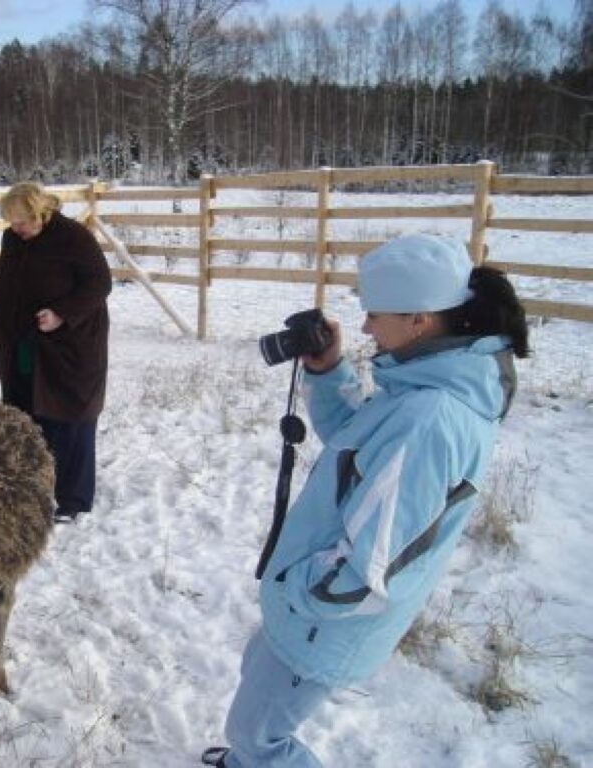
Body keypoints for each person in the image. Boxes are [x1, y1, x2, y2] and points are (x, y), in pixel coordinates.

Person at [202, 233, 530, 768]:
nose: (364, 327)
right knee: (257, 704)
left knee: (259, 733)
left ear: (419, 319)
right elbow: (357, 438)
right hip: (310, 606)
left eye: (374, 313)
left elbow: (368, 569)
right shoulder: (424, 385)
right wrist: (328, 369)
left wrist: (295, 588)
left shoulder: (431, 420)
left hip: (324, 616)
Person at [0, 181, 112, 524]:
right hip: (25, 343)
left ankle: (71, 500)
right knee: (27, 412)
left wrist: (62, 314)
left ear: (39, 213)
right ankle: (32, 487)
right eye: (11, 222)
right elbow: (7, 281)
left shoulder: (73, 238)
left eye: (22, 222)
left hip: (70, 345)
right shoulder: (13, 238)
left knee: (69, 416)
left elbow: (100, 284)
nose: (16, 229)